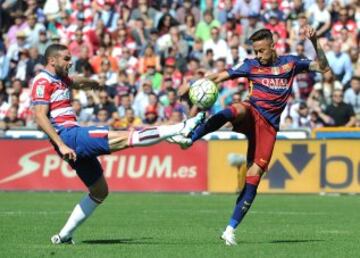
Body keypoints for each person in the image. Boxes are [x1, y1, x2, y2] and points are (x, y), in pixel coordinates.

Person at [30, 44, 204, 244]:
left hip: (72, 138)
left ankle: (63, 236)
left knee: (100, 191)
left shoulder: (61, 79)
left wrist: (92, 83)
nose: (71, 63)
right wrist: (61, 144)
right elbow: (39, 116)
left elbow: (75, 81)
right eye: (67, 59)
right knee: (126, 137)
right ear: (52, 61)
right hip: (70, 136)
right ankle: (181, 127)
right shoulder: (42, 81)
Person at [174, 27, 330, 245]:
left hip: (268, 128)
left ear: (272, 46)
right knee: (238, 109)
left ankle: (230, 230)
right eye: (255, 51)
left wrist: (315, 42)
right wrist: (191, 84)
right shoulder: (250, 65)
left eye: (261, 51)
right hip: (252, 113)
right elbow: (219, 76)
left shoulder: (291, 63)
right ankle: (190, 138)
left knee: (254, 176)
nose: (258, 55)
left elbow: (323, 67)